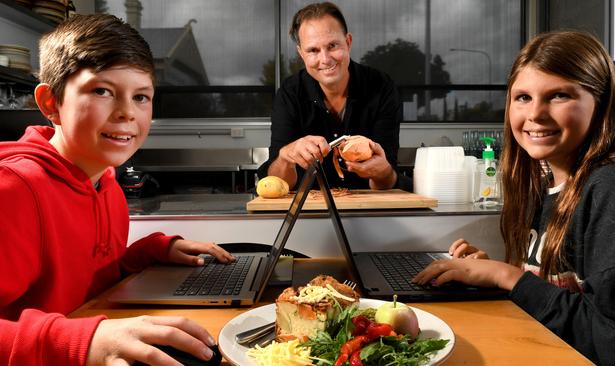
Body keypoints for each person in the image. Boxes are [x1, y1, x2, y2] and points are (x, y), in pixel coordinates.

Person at [0, 14, 236, 365]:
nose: (127, 112)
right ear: (51, 103)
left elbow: (85, 281)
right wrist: (81, 340)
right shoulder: (15, 191)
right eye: (102, 91)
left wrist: (148, 253)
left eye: (141, 97)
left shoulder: (107, 185)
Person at [413, 31, 615, 364]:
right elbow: (559, 296)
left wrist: (507, 277)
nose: (536, 113)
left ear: (601, 102)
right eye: (523, 97)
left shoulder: (613, 188)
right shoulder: (546, 181)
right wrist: (490, 275)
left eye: (558, 96)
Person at [257, 2, 409, 191]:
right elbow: (279, 184)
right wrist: (286, 157)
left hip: (369, 210)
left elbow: (387, 182)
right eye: (313, 50)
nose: (325, 59)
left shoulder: (381, 87)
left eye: (332, 45)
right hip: (308, 212)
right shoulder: (290, 92)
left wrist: (383, 172)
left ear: (348, 42)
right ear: (301, 53)